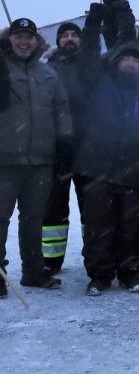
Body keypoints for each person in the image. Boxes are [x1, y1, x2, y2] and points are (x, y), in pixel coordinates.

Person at [74, 42, 139, 295]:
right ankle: (99, 275)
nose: (129, 63)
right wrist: (95, 22)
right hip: (97, 169)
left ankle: (129, 273)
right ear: (115, 63)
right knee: (98, 227)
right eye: (124, 59)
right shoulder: (98, 85)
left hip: (135, 170)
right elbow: (86, 58)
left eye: (135, 60)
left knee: (130, 227)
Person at [0, 18, 74, 296]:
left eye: (28, 37)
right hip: (4, 160)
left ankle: (33, 271)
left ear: (36, 41)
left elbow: (62, 110)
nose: (23, 41)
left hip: (40, 160)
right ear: (9, 39)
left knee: (33, 219)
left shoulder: (48, 74)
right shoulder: (1, 68)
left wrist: (65, 140)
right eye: (18, 36)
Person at [40, 10, 102, 274]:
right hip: (56, 149)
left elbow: (92, 45)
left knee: (92, 208)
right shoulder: (46, 69)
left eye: (73, 35)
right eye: (64, 35)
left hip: (88, 147)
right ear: (58, 41)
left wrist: (93, 23)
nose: (69, 39)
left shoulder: (90, 65)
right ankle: (51, 261)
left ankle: (95, 257)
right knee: (54, 209)